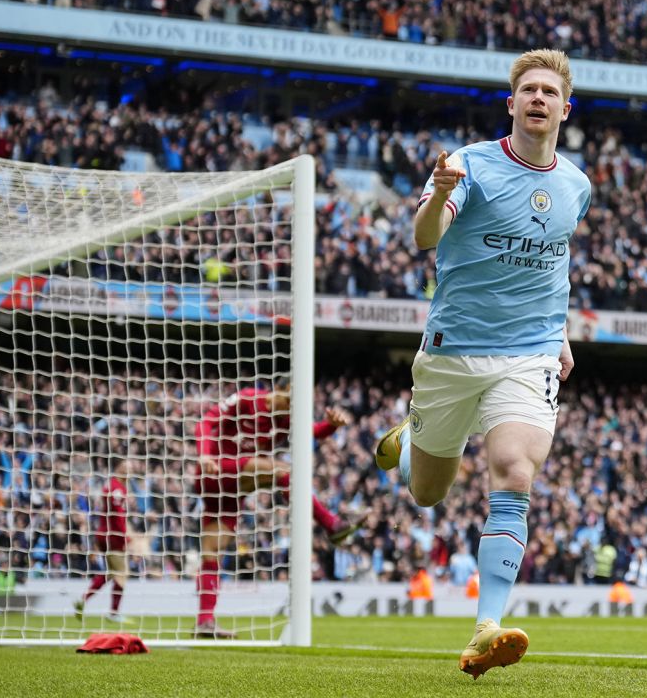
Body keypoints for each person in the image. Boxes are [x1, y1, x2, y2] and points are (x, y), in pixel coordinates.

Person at [373, 48, 591, 678]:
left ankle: (486, 627)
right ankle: (411, 443)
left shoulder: (575, 185)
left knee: (514, 471)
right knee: (428, 494)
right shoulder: (468, 165)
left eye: (551, 91)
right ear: (512, 101)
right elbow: (425, 239)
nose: (540, 99)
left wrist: (563, 331)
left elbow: (554, 261)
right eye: (530, 89)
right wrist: (436, 197)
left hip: (529, 354)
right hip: (452, 350)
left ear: (565, 108)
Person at [193, 377, 365, 638]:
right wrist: (204, 454)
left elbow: (313, 432)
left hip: (232, 490)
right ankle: (331, 523)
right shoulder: (249, 398)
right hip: (215, 468)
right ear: (281, 390)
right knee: (284, 471)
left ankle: (205, 621)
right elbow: (207, 421)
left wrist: (330, 426)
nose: (291, 408)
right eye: (289, 401)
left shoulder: (286, 420)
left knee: (212, 550)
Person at [74, 456, 135, 624]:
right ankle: (113, 613)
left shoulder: (114, 486)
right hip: (112, 536)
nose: (131, 471)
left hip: (105, 534)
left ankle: (84, 599)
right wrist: (125, 538)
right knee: (122, 574)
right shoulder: (116, 489)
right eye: (127, 468)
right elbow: (116, 517)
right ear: (120, 469)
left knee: (111, 573)